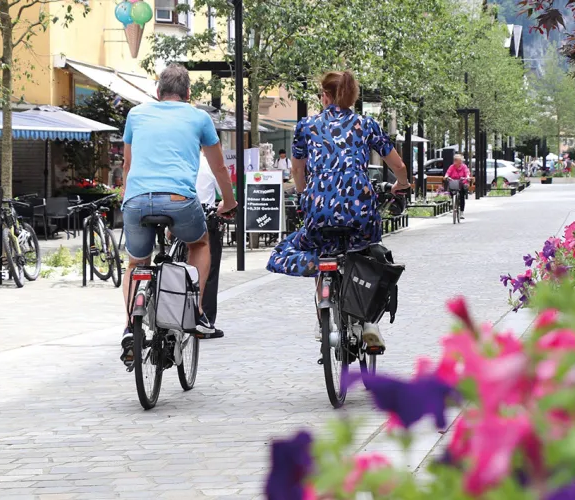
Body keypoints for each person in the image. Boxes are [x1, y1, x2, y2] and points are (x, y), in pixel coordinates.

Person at [266, 70, 409, 350]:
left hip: (319, 209)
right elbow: (398, 166)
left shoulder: (307, 125)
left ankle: (323, 312)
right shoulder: (366, 125)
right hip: (359, 209)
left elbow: (297, 168)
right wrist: (401, 185)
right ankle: (369, 322)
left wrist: (307, 194)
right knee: (366, 252)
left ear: (326, 96)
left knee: (319, 249)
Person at [119, 64, 237, 365]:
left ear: (158, 93)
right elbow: (218, 168)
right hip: (179, 201)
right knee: (199, 244)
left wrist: (126, 196)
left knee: (136, 262)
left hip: (136, 201)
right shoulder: (199, 117)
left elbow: (128, 166)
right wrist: (229, 202)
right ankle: (195, 312)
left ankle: (131, 325)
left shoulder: (136, 115)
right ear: (188, 94)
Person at [194, 153, 226, 339]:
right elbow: (224, 191)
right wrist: (229, 204)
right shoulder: (208, 162)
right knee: (209, 271)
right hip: (204, 219)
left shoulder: (178, 158)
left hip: (178, 215)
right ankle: (204, 320)